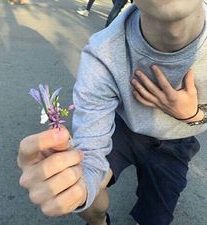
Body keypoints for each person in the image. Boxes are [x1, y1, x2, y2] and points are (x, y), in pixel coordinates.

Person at [18, 1, 207, 225]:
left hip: (177, 140)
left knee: (156, 218)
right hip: (124, 127)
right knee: (86, 191)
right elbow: (90, 159)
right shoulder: (102, 53)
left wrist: (191, 115)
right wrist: (74, 187)